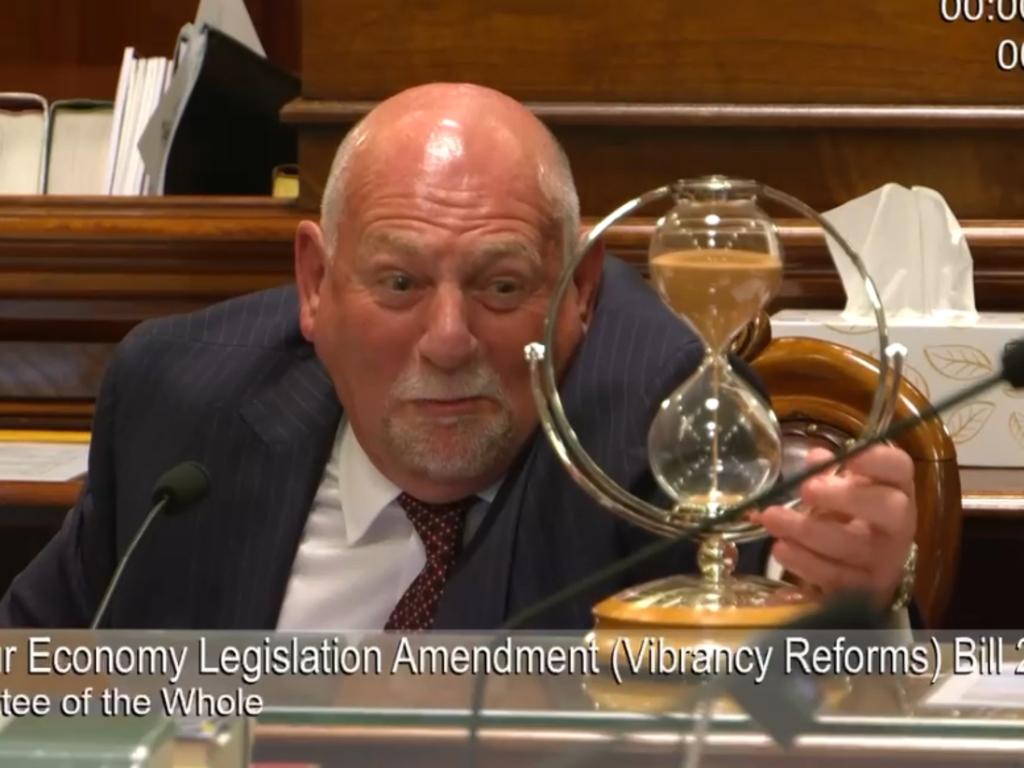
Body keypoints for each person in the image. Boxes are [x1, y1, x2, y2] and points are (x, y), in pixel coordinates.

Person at [0, 83, 917, 629]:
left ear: (581, 291)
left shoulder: (653, 425)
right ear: (316, 284)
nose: (447, 341)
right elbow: (32, 680)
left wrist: (857, 606)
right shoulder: (179, 403)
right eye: (398, 284)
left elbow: (776, 712)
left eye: (502, 287)